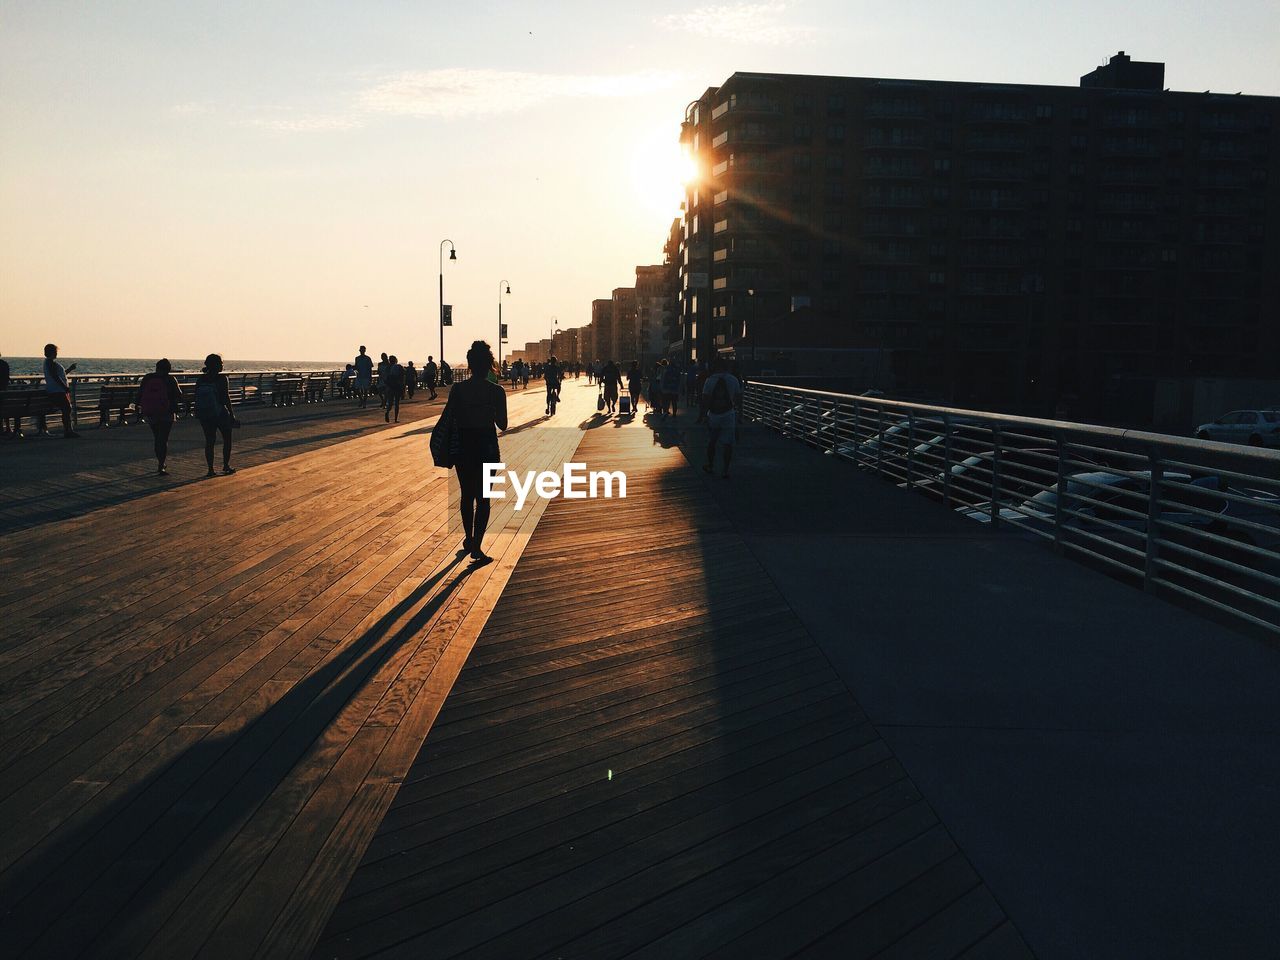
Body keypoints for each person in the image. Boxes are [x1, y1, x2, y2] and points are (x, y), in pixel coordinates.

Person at [442, 340, 508, 566]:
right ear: (490, 364)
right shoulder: (496, 392)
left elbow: (450, 419)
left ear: (470, 364)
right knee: (483, 498)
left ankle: (468, 539)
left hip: (464, 445)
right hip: (487, 446)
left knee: (466, 494)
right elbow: (503, 425)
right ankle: (478, 547)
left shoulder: (458, 389)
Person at [135, 359, 184, 475]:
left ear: (157, 367)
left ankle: (160, 462)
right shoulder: (170, 379)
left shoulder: (148, 378)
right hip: (167, 412)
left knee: (157, 438)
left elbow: (140, 393)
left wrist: (138, 406)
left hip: (151, 412)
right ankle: (161, 464)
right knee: (163, 438)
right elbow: (179, 394)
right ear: (168, 369)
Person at [194, 353, 239, 477]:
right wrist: (231, 413)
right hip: (220, 413)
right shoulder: (222, 379)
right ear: (217, 365)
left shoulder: (201, 379)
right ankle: (225, 465)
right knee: (227, 439)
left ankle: (210, 469)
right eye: (221, 363)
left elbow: (196, 396)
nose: (222, 365)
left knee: (209, 441)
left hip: (205, 414)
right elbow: (225, 397)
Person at [702, 357, 742, 479]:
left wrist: (704, 415)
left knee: (712, 441)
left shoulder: (709, 380)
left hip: (713, 414)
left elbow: (705, 399)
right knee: (728, 443)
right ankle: (725, 469)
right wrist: (738, 414)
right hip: (728, 414)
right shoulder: (733, 379)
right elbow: (738, 398)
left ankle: (710, 465)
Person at [42, 343, 79, 438]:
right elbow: (55, 376)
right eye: (55, 351)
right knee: (67, 409)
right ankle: (68, 431)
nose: (56, 353)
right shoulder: (50, 362)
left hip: (57, 390)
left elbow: (59, 375)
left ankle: (69, 430)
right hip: (57, 391)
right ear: (51, 352)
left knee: (67, 409)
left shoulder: (50, 363)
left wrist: (70, 369)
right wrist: (64, 387)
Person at [384, 355, 405, 423]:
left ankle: (387, 412)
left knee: (390, 403)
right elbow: (403, 375)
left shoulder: (388, 368)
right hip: (397, 387)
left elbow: (385, 378)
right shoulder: (399, 367)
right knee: (397, 403)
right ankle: (395, 419)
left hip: (390, 387)